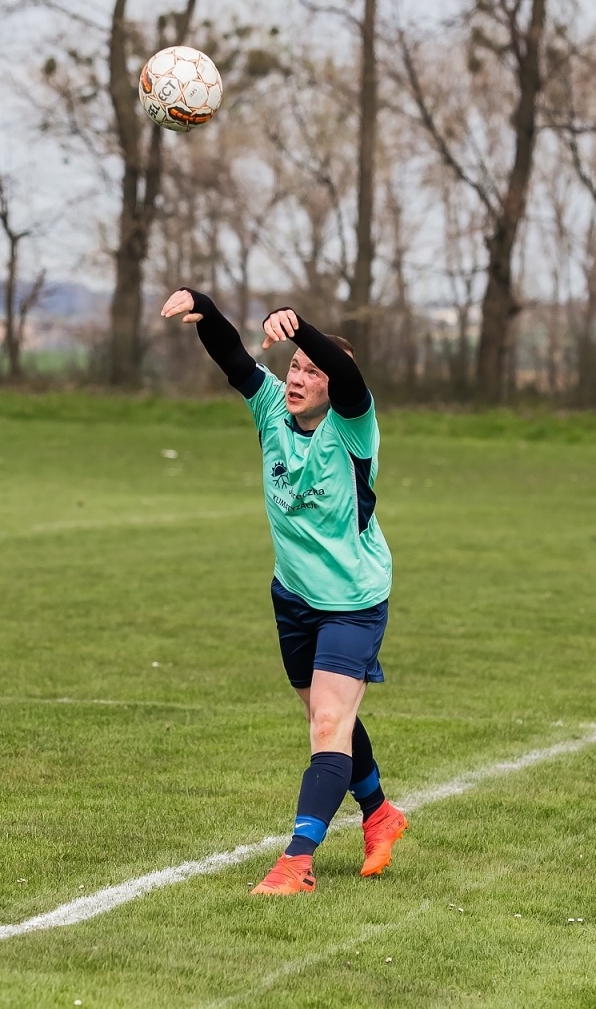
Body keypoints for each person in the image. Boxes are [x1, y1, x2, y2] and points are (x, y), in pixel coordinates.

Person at [160, 287, 408, 895]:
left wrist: (303, 330)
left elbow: (348, 372)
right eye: (295, 366)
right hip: (294, 598)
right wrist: (206, 306)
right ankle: (380, 814)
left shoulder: (354, 427)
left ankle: (296, 863)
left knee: (328, 721)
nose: (298, 377)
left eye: (310, 370)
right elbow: (236, 359)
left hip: (352, 599)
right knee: (330, 717)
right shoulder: (271, 410)